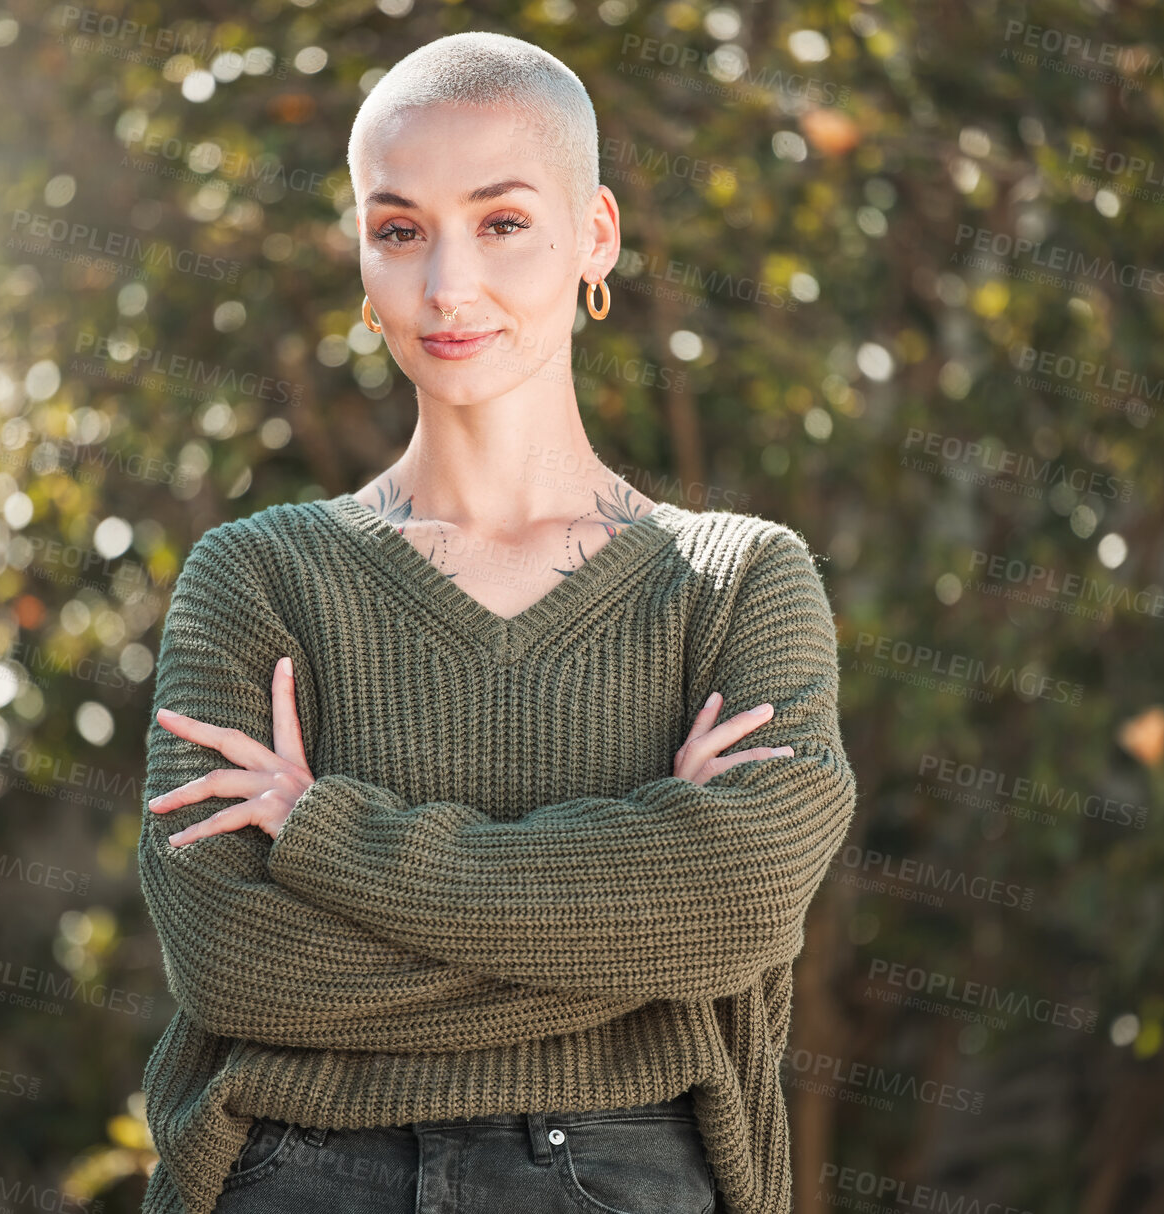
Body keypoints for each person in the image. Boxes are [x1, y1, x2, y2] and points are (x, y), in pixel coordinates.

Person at [136, 30, 857, 1214]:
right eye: (400, 229)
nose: (445, 286)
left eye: (503, 221)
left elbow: (743, 904)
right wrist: (638, 943)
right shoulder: (256, 578)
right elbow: (231, 961)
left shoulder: (738, 582)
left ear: (596, 236)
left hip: (622, 1174)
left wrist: (327, 834)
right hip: (295, 1170)